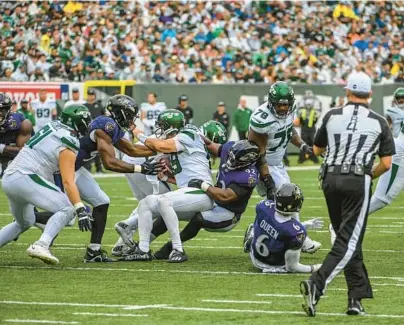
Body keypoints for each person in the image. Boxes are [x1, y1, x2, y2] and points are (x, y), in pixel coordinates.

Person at [300, 72, 395, 317]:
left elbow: (318, 148)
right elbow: (386, 164)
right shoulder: (379, 121)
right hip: (357, 179)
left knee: (349, 239)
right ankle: (316, 284)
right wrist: (365, 175)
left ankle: (355, 298)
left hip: (330, 178)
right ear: (371, 94)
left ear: (347, 92)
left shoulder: (331, 115)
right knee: (349, 241)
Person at [34, 97, 162, 262]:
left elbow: (132, 150)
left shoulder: (112, 127)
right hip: (60, 170)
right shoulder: (105, 126)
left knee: (102, 201)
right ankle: (29, 218)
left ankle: (94, 251)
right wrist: (141, 168)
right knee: (70, 215)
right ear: (122, 113)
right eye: (130, 115)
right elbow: (109, 163)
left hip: (76, 168)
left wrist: (163, 149)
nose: (132, 119)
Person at [111, 119, 227, 257]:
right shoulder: (189, 138)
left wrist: (140, 134)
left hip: (200, 194)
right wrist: (166, 178)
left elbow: (188, 178)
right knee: (149, 203)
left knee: (161, 202)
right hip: (184, 188)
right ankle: (142, 247)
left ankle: (176, 249)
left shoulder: (189, 136)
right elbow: (186, 179)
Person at [0, 107, 93, 265]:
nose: (87, 125)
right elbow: (68, 180)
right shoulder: (69, 139)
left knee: (24, 222)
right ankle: (41, 245)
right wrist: (80, 208)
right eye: (85, 121)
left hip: (10, 178)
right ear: (76, 122)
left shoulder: (53, 126)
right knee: (67, 207)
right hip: (24, 176)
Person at [153, 139, 261, 259]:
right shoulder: (229, 148)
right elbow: (210, 145)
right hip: (213, 200)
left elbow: (225, 196)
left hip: (228, 214)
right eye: (230, 156)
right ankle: (143, 244)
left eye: (235, 160)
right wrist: (196, 135)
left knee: (198, 219)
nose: (230, 161)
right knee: (168, 211)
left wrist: (203, 185)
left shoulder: (248, 176)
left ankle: (171, 247)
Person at [248, 81, 320, 254]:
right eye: (279, 104)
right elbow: (258, 153)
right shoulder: (262, 119)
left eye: (285, 104)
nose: (282, 108)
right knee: (286, 198)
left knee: (286, 200)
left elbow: (290, 131)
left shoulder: (291, 108)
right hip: (264, 163)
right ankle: (301, 239)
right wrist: (267, 180)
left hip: (278, 162)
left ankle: (254, 232)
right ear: (271, 102)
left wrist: (303, 146)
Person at [243, 183, 323, 273]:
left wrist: (304, 225)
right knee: (293, 240)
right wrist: (314, 268)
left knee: (257, 224)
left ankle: (250, 240)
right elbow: (292, 267)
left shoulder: (264, 206)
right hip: (274, 265)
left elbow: (276, 224)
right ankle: (308, 246)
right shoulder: (296, 232)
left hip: (254, 256)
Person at [365, 88, 404, 214]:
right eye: (400, 99)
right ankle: (346, 221)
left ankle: (360, 175)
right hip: (399, 154)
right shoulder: (393, 111)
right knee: (382, 199)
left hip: (397, 148)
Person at [0, 93, 33, 178]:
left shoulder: (21, 123)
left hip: (16, 161)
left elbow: (24, 152)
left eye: (2, 109)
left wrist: (1, 148)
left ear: (8, 109)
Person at [84, 88, 104, 173]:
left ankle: (99, 168)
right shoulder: (84, 106)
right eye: (89, 95)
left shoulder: (99, 105)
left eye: (92, 95)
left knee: (98, 150)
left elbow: (104, 117)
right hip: (87, 131)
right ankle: (87, 168)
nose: (91, 97)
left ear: (94, 96)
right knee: (87, 150)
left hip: (97, 131)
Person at [295, 98, 320, 164]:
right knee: (303, 145)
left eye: (309, 104)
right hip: (305, 130)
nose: (308, 106)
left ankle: (313, 159)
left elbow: (315, 120)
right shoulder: (303, 111)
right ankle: (302, 159)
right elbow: (300, 120)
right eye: (308, 104)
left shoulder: (313, 112)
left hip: (310, 130)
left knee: (312, 145)